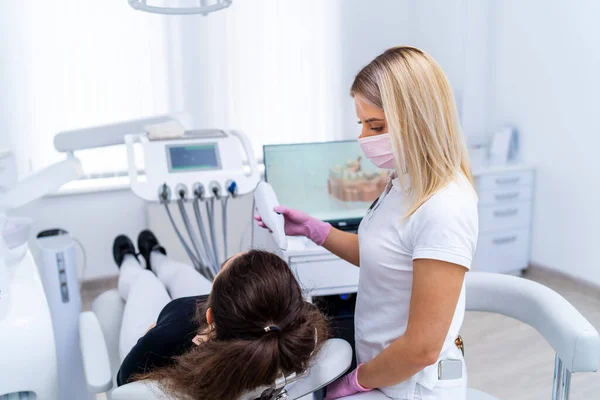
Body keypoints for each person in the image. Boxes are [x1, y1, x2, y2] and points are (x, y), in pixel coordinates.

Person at [255, 46, 478, 400]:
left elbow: (422, 349)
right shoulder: (402, 180)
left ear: (417, 120)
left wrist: (353, 381)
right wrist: (315, 229)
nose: (363, 138)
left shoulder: (444, 207)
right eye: (361, 124)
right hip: (384, 371)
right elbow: (385, 255)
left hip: (412, 386)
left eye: (376, 126)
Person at [112, 230, 329, 400]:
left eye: (221, 269)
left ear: (210, 320)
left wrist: (148, 337)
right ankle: (157, 255)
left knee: (144, 280)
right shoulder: (299, 331)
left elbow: (123, 380)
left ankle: (130, 260)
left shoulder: (167, 337)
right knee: (180, 273)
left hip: (161, 333)